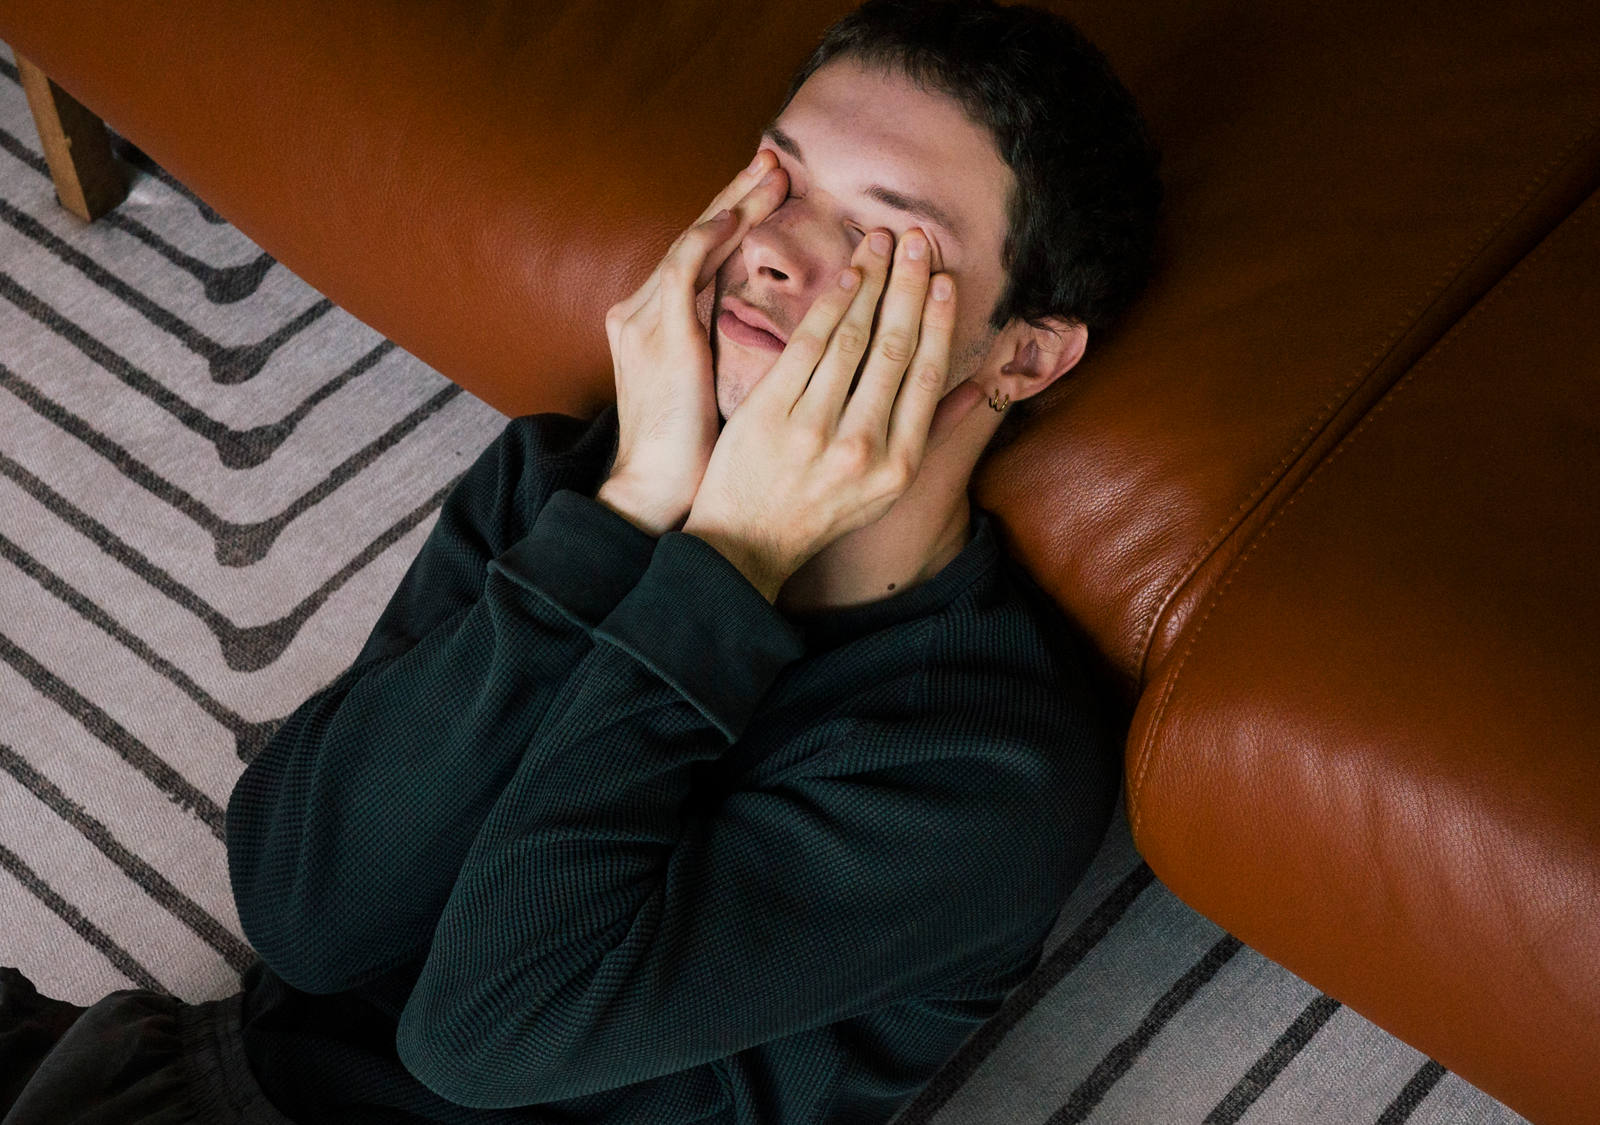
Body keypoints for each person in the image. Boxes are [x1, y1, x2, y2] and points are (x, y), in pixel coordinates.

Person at [0, 1, 1161, 1121]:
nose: (769, 250)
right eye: (780, 179)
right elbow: (303, 912)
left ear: (1025, 354)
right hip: (177, 1069)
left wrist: (731, 560)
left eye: (879, 236)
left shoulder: (984, 762)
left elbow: (483, 1033)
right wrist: (630, 513)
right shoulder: (585, 481)